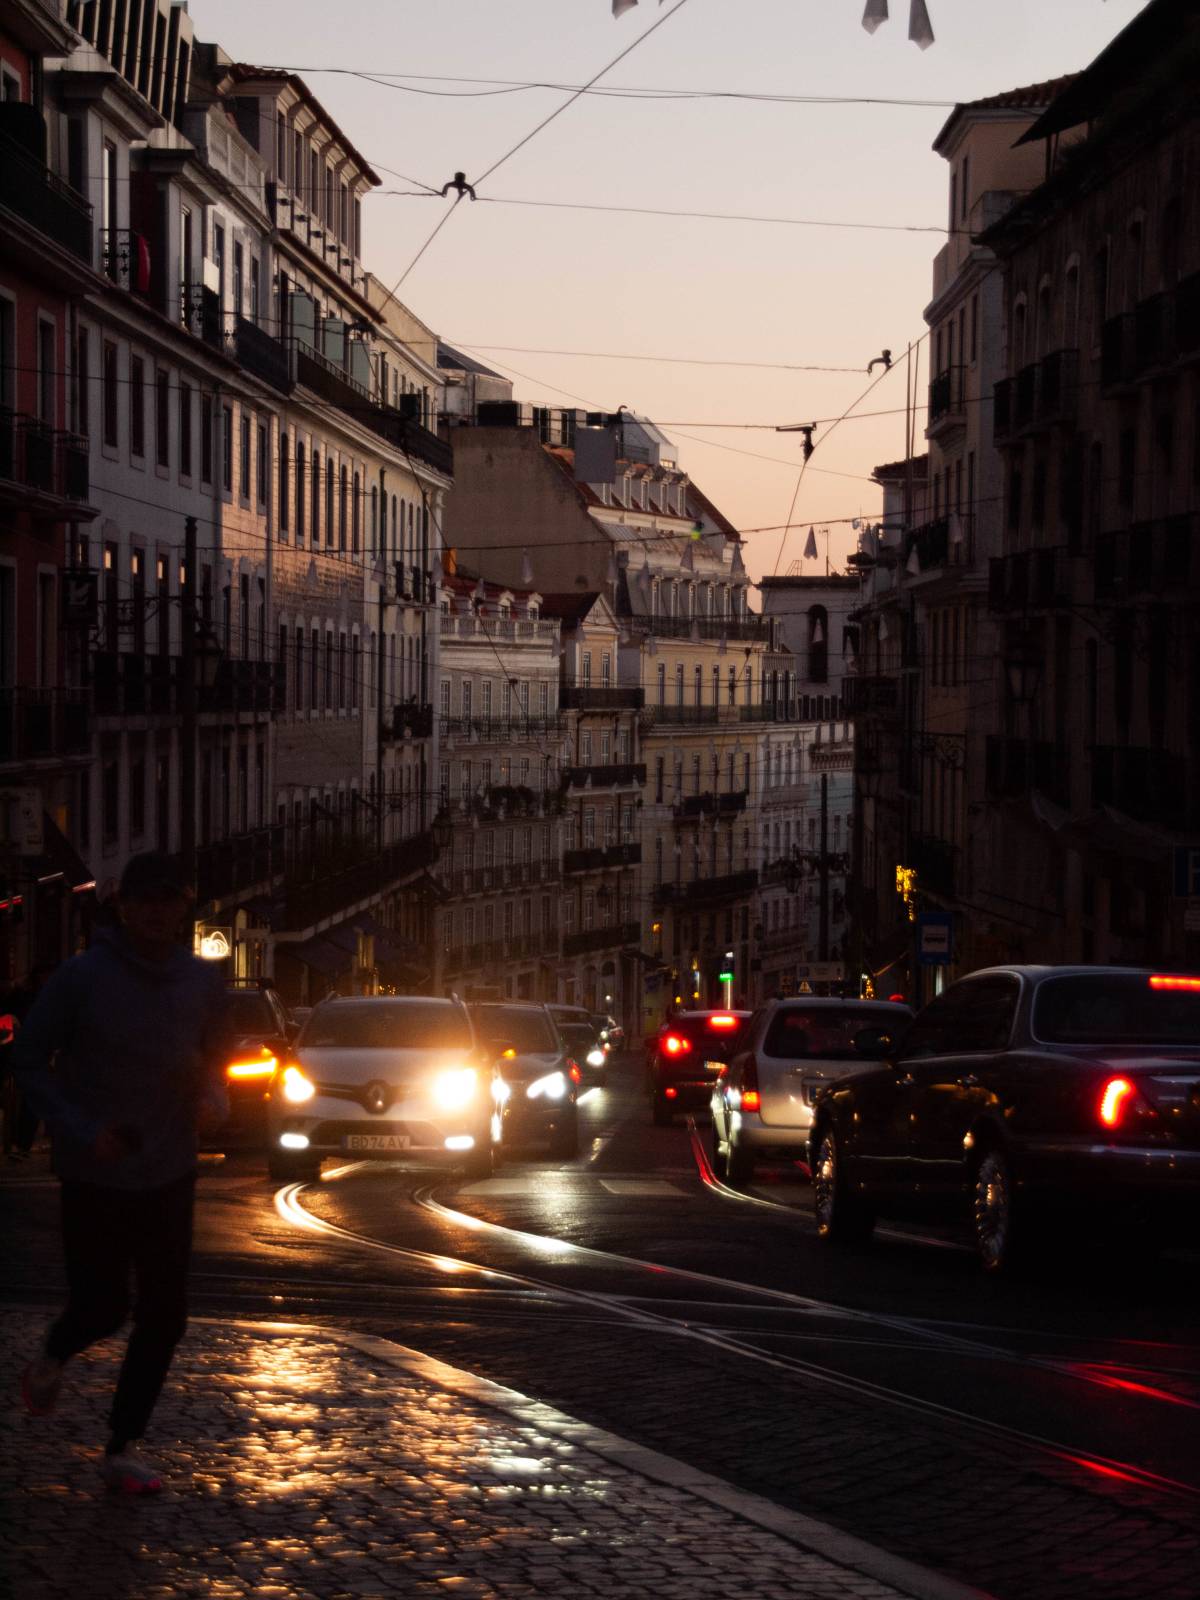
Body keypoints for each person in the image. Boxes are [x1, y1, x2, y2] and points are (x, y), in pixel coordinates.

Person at [12, 851, 230, 1495]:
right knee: (102, 1308)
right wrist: (79, 1131)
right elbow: (28, 1058)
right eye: (147, 900)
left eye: (171, 899)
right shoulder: (81, 979)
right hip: (94, 1172)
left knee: (166, 1315)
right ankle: (54, 1351)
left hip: (170, 1168)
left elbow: (214, 1054)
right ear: (124, 906)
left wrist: (214, 1095)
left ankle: (122, 1446)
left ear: (184, 906)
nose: (159, 912)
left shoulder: (203, 982)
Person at [1, 963, 51, 1157]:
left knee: (32, 1100)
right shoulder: (24, 996)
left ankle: (21, 1143)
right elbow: (5, 1021)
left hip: (28, 1055)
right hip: (17, 1053)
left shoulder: (42, 997)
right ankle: (19, 1143)